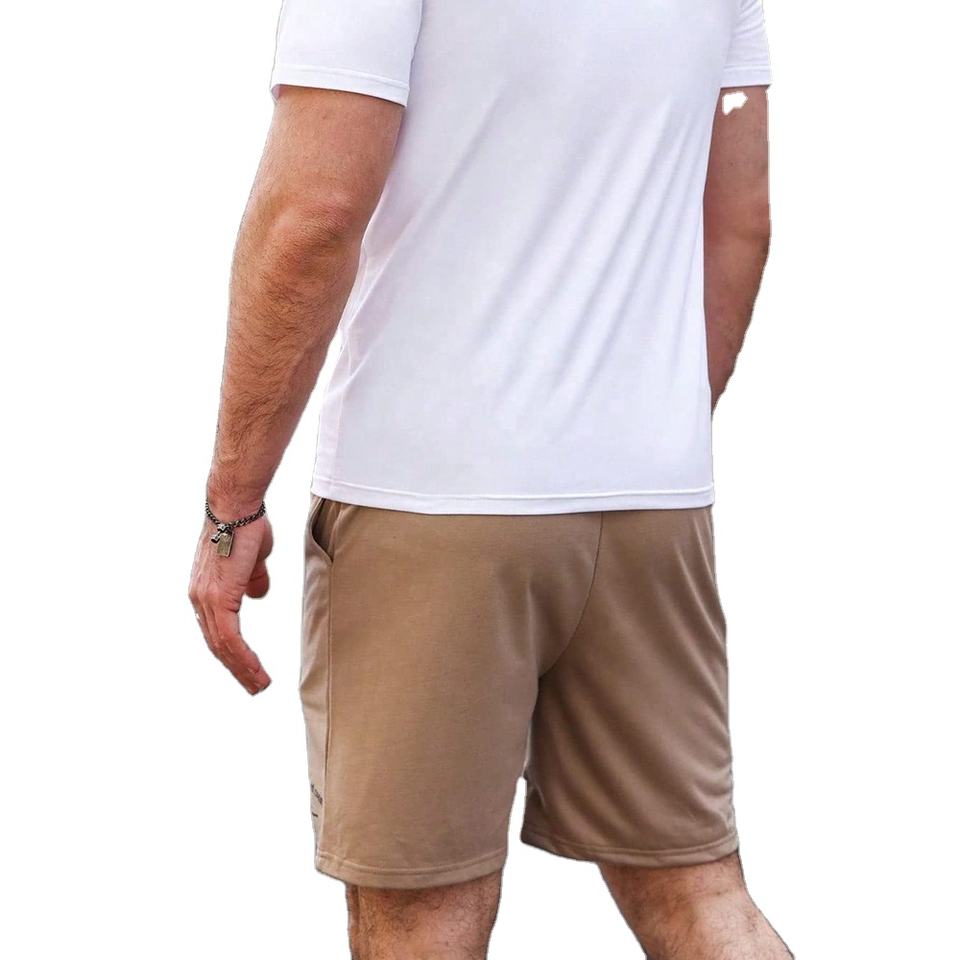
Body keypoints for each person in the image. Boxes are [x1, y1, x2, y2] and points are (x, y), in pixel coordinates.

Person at [189, 1, 790, 956]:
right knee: (697, 889)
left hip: (431, 498)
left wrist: (231, 507)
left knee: (421, 914)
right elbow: (740, 223)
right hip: (650, 503)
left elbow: (313, 217)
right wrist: (646, 427)